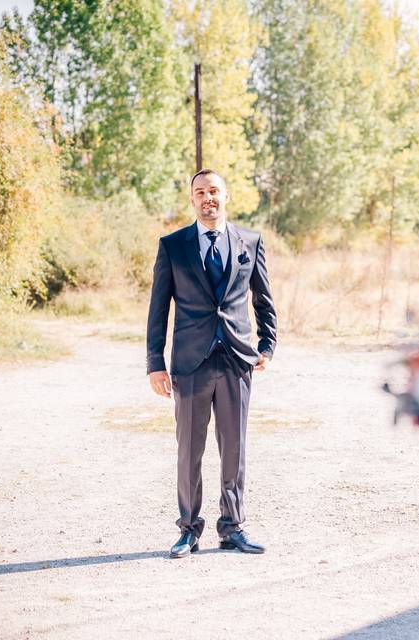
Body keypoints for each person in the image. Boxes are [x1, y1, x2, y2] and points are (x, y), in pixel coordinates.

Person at [146, 169, 277, 559]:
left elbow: (264, 300)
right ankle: (188, 529)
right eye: (200, 192)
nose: (208, 198)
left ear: (226, 195)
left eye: (214, 191)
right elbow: (158, 309)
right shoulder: (172, 246)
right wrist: (155, 362)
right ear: (192, 199)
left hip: (237, 360)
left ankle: (232, 527)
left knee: (234, 448)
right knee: (189, 450)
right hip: (189, 363)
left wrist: (267, 346)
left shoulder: (250, 242)